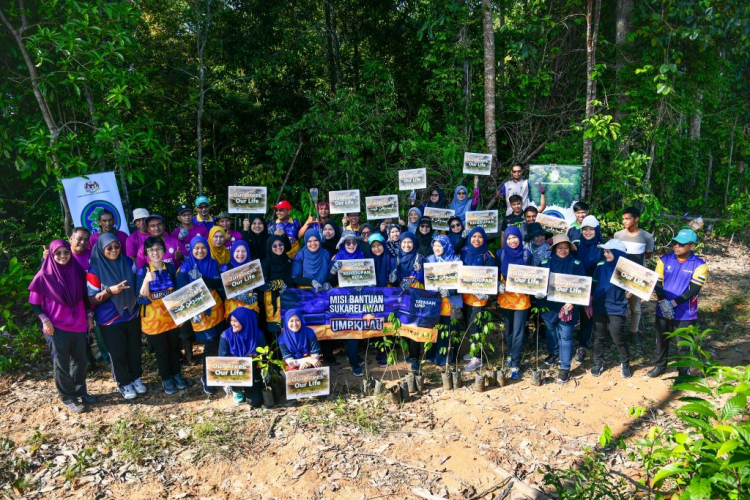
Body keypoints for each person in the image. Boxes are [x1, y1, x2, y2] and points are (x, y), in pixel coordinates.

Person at [29, 240, 95, 413]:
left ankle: (81, 392)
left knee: (81, 361)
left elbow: (84, 297)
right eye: (58, 253)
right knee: (61, 364)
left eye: (66, 252)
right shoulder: (44, 276)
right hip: (56, 327)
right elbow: (35, 303)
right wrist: (44, 320)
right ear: (51, 254)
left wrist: (89, 316)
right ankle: (69, 398)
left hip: (79, 324)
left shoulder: (77, 271)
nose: (63, 256)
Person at [87, 233, 143, 399]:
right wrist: (109, 291)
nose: (114, 250)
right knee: (117, 353)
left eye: (117, 246)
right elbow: (91, 298)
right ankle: (124, 383)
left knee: (134, 350)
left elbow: (137, 283)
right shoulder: (94, 269)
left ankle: (136, 378)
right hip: (110, 319)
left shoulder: (127, 262)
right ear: (101, 249)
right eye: (109, 248)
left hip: (131, 314)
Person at [649, 229, 708, 378]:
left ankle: (683, 373)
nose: (676, 246)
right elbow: (657, 281)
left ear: (692, 246)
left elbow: (694, 289)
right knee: (661, 339)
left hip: (685, 312)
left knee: (683, 344)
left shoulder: (699, 265)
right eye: (675, 243)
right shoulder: (664, 260)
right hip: (663, 308)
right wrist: (663, 301)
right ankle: (660, 366)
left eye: (681, 244)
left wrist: (673, 303)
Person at [136, 237, 189, 394]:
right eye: (151, 250)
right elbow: (141, 297)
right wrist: (146, 281)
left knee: (174, 348)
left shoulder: (171, 268)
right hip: (153, 320)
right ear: (146, 253)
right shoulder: (142, 271)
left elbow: (179, 294)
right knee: (161, 351)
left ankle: (177, 375)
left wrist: (182, 315)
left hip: (171, 317)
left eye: (158, 249)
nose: (155, 252)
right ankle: (166, 379)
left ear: (164, 251)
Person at [176, 235, 225, 395]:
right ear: (191, 249)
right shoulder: (184, 269)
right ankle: (207, 377)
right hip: (199, 311)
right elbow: (181, 295)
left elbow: (218, 283)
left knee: (218, 343)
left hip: (217, 309)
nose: (200, 250)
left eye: (203, 247)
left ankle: (218, 374)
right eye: (196, 248)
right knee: (209, 343)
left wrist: (202, 278)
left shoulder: (213, 263)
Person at [537, 234, 586, 383]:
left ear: (570, 249)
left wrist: (573, 302)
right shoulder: (545, 262)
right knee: (551, 330)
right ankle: (554, 353)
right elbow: (538, 282)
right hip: (548, 305)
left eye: (566, 248)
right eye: (560, 248)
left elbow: (582, 286)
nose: (563, 250)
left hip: (567, 305)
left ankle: (565, 367)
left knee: (565, 335)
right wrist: (538, 291)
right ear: (554, 249)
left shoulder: (576, 264)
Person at [589, 239, 632, 378]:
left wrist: (631, 291)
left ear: (618, 253)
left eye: (609, 251)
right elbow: (593, 284)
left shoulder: (626, 268)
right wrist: (589, 302)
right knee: (598, 337)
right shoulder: (601, 265)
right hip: (600, 306)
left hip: (617, 307)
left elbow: (636, 286)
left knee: (617, 336)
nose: (605, 254)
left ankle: (625, 363)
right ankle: (597, 362)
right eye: (605, 251)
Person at [329, 231, 367, 376]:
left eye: (353, 242)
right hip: (343, 299)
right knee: (350, 330)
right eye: (348, 243)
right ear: (343, 244)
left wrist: (363, 284)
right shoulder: (337, 257)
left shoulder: (362, 256)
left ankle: (354, 356)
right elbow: (330, 280)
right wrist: (333, 271)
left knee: (356, 329)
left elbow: (367, 276)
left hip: (359, 298)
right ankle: (353, 363)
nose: (351, 245)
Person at [614, 207, 655, 340]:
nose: (624, 221)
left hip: (637, 275)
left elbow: (647, 255)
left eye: (627, 218)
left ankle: (634, 332)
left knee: (635, 306)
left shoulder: (647, 237)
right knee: (619, 303)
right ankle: (617, 331)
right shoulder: (618, 235)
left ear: (636, 219)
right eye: (623, 219)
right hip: (620, 273)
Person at [460, 227, 497, 372]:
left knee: (477, 328)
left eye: (480, 236)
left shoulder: (488, 255)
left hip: (479, 299)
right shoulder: (464, 251)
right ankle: (474, 351)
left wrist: (486, 292)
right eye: (473, 236)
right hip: (465, 297)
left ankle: (478, 358)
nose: (476, 239)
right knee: (470, 327)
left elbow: (492, 277)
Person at [497, 226, 530, 379]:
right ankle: (510, 354)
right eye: (509, 238)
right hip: (505, 298)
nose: (512, 241)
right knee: (509, 330)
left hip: (522, 299)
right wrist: (497, 284)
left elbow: (534, 275)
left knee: (518, 332)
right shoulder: (500, 254)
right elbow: (494, 273)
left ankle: (516, 364)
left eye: (514, 237)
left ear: (520, 238)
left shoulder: (526, 254)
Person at [218, 308, 265, 405]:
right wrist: (225, 382)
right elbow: (222, 360)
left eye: (236, 321)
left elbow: (263, 355)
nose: (232, 323)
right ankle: (237, 390)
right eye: (231, 320)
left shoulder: (258, 335)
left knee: (255, 402)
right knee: (239, 400)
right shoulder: (226, 335)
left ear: (245, 321)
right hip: (234, 372)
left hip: (252, 371)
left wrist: (264, 371)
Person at [426, 235, 461, 367]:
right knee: (434, 328)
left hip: (451, 302)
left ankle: (446, 358)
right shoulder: (429, 260)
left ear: (446, 246)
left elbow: (461, 282)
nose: (437, 248)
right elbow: (425, 280)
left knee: (449, 329)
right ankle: (431, 355)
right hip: (434, 303)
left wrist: (450, 291)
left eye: (440, 245)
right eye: (434, 245)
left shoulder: (456, 260)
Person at [573, 215, 603, 363]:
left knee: (587, 316)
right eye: (585, 229)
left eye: (591, 229)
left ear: (596, 230)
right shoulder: (577, 245)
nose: (588, 232)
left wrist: (591, 295)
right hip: (575, 286)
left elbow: (601, 271)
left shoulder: (601, 249)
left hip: (592, 287)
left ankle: (582, 345)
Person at [394, 232, 425, 372]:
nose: (407, 245)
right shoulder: (397, 258)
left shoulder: (419, 258)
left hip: (416, 295)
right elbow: (394, 279)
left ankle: (414, 357)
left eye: (410, 242)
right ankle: (410, 353)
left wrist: (418, 272)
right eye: (404, 242)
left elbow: (424, 279)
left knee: (415, 325)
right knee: (404, 324)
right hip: (401, 296)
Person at [258, 235, 293, 340]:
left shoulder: (288, 260)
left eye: (280, 244)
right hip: (273, 303)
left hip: (288, 299)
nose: (278, 247)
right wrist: (279, 283)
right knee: (276, 333)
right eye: (274, 246)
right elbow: (261, 285)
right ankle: (277, 356)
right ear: (269, 247)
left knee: (290, 328)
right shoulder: (266, 263)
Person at [220, 240, 260, 319]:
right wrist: (240, 296)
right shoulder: (226, 268)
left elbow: (257, 287)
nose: (240, 254)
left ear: (247, 252)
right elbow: (223, 290)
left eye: (243, 251)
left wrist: (254, 296)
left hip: (251, 305)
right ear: (232, 252)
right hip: (233, 309)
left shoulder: (252, 267)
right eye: (237, 251)